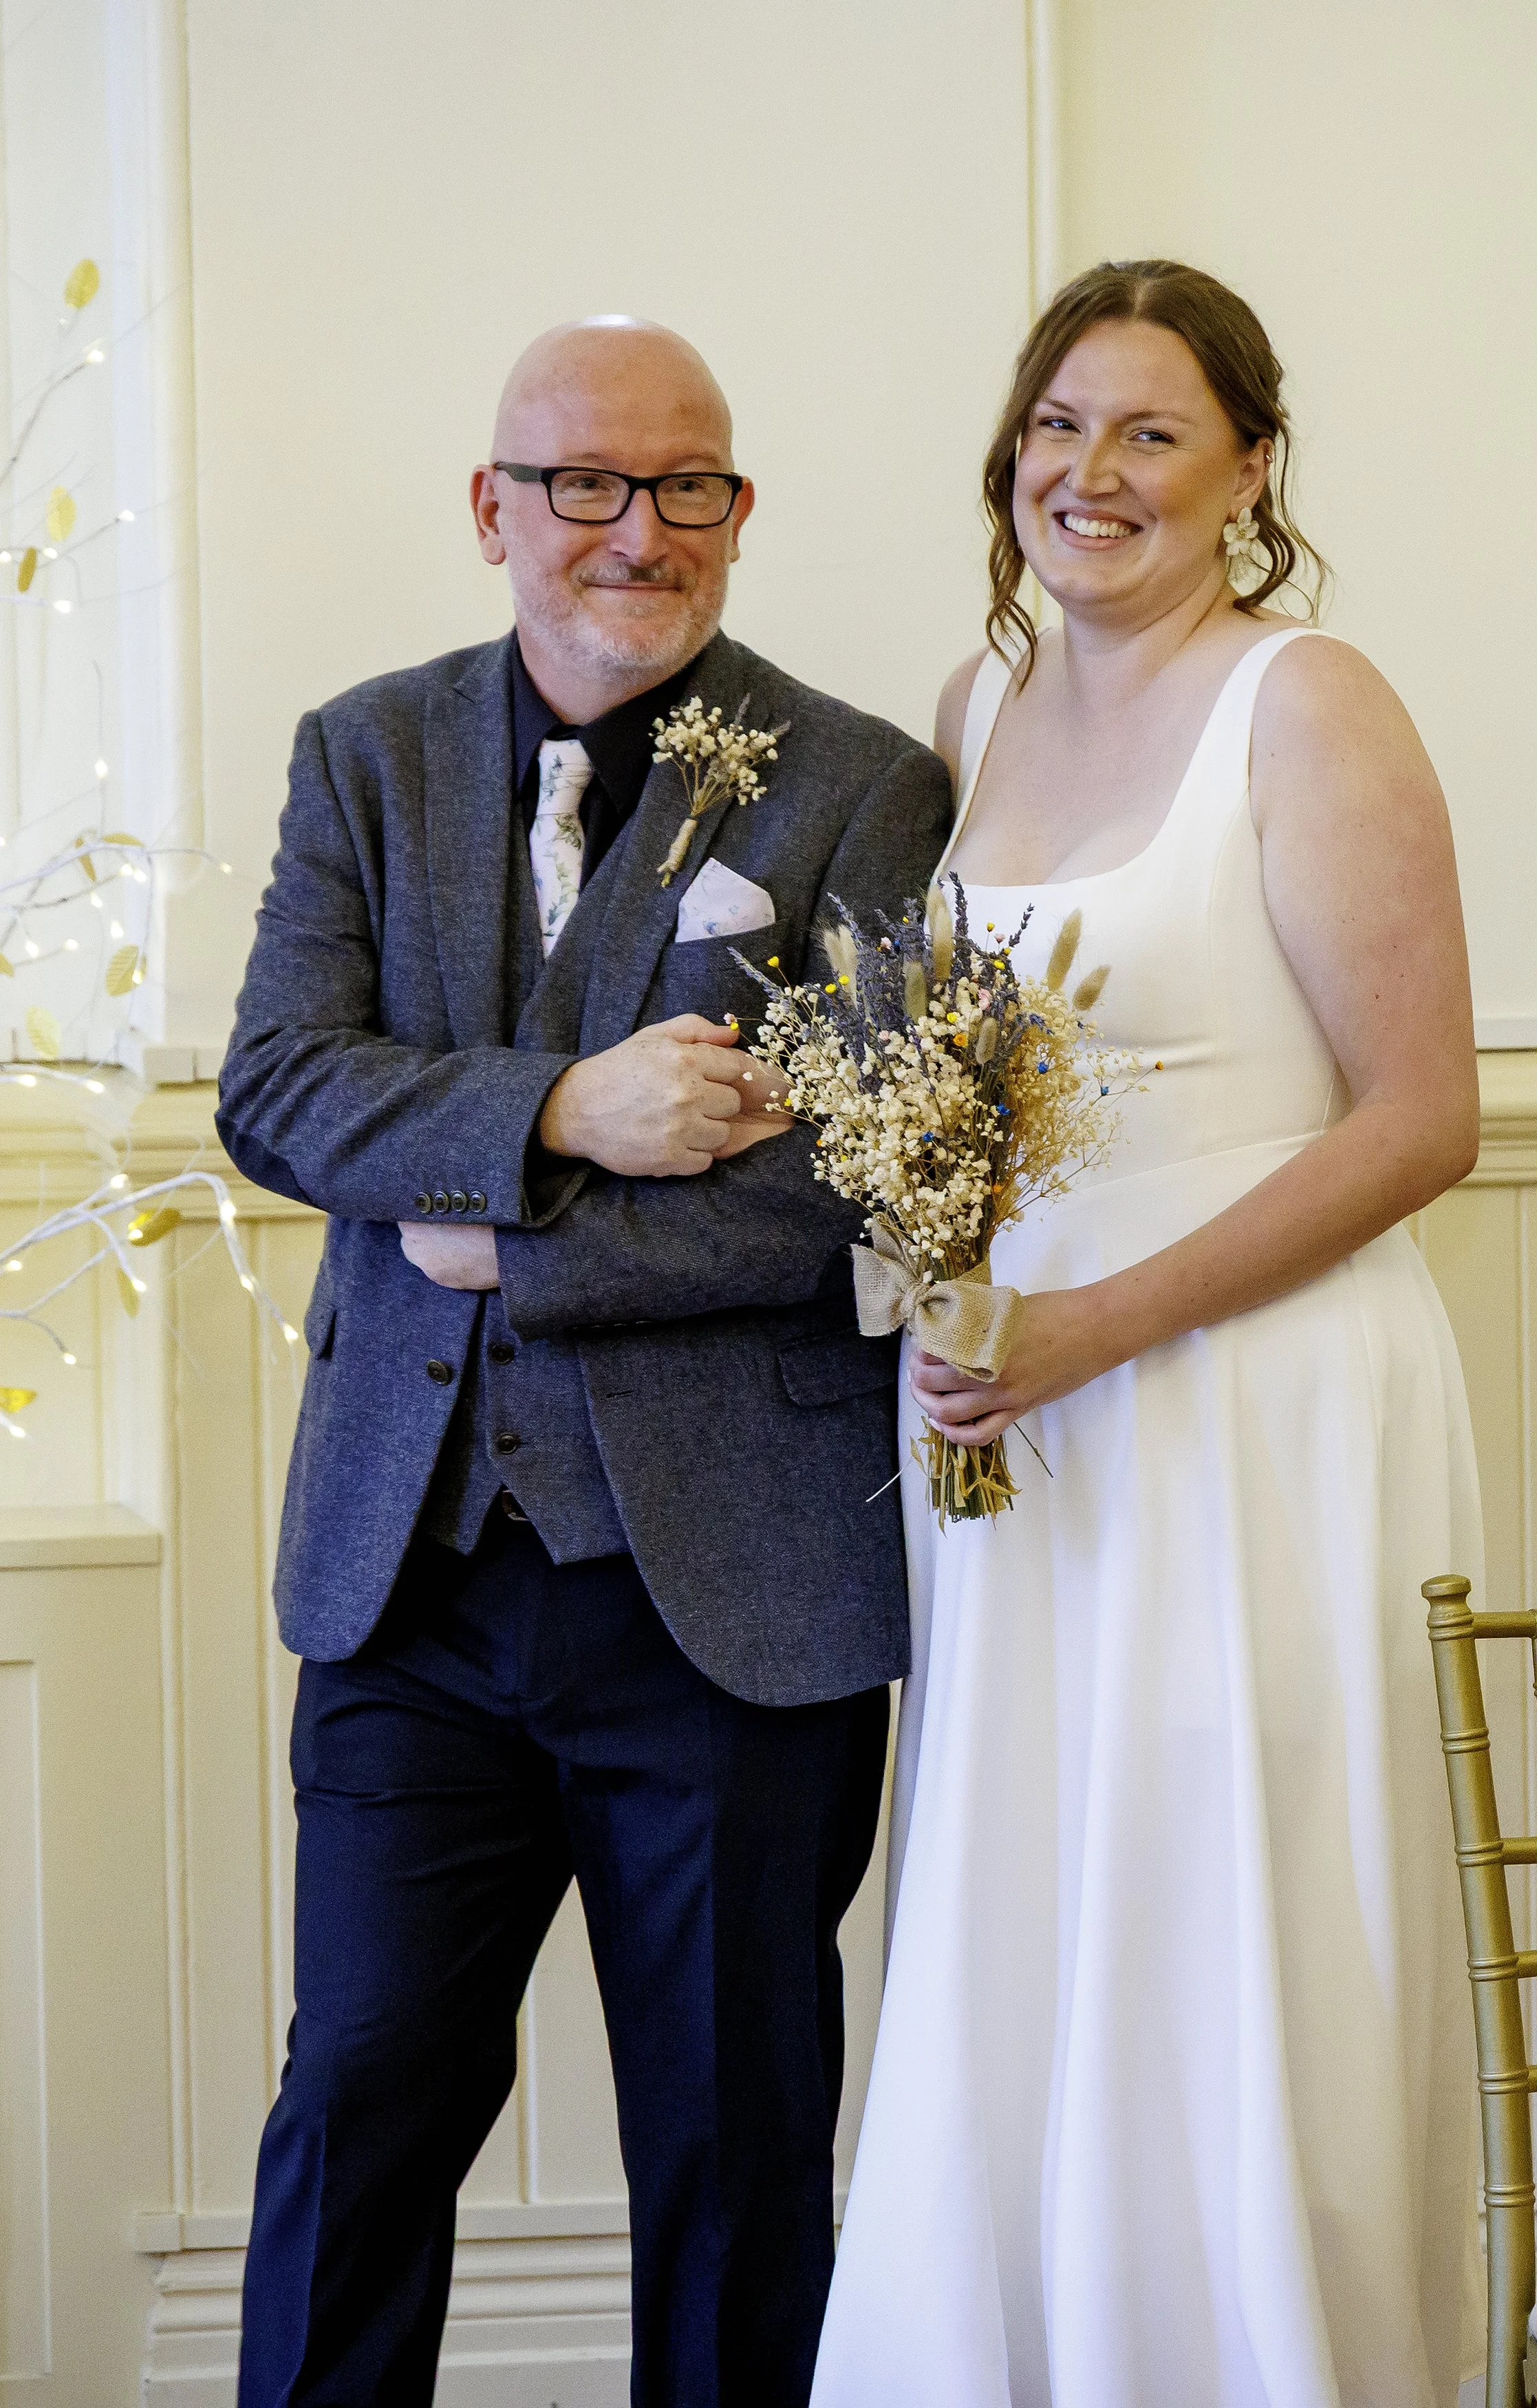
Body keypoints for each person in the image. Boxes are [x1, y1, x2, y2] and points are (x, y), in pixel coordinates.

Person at [215, 318, 949, 2408]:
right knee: (354, 2114)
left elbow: (846, 1184)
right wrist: (568, 1115)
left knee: (729, 2157)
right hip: (407, 1583)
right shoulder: (361, 753)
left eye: (686, 486)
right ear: (493, 510)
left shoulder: (862, 787)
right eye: (586, 486)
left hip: (727, 1605)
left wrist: (493, 1243)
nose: (638, 531)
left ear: (738, 509)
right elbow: (276, 1087)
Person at [813, 260, 1486, 2406]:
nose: (1084, 475)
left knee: (1229, 1911)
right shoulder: (971, 707)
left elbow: (1422, 1117)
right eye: (1054, 427)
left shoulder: (1310, 699)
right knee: (1027, 1905)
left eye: (1147, 433)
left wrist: (1095, 1321)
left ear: (1249, 471)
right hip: (1013, 1416)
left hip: (1250, 1404)